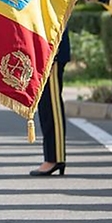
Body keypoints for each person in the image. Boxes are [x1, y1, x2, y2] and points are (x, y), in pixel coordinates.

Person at [30, 30, 70, 176]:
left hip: (52, 46)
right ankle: (52, 156)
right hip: (43, 45)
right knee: (45, 107)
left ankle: (55, 157)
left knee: (52, 106)